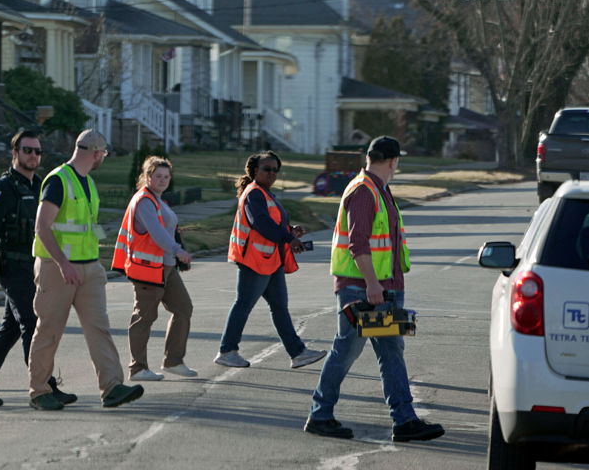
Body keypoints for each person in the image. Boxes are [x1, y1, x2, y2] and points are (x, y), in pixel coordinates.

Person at [304, 135, 445, 443]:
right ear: (393, 161)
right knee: (346, 351)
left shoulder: (379, 189)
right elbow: (357, 244)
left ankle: (404, 420)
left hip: (383, 288)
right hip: (364, 291)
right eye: (398, 161)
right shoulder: (365, 192)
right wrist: (372, 285)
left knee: (391, 352)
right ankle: (321, 414)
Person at [26, 129, 144, 411]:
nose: (102, 158)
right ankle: (39, 391)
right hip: (58, 269)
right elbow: (42, 227)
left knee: (98, 328)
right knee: (49, 330)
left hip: (89, 269)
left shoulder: (88, 183)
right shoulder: (58, 180)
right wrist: (64, 264)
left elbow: (84, 228)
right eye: (103, 154)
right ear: (96, 153)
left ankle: (112, 387)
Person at [0, 128, 76, 407]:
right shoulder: (1, 189)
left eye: (37, 151)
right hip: (12, 267)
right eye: (27, 150)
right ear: (14, 153)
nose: (33, 156)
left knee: (11, 327)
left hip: (36, 265)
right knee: (33, 322)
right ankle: (43, 388)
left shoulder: (40, 186)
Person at [214, 150, 326, 370]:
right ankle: (227, 351)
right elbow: (261, 223)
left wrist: (290, 230)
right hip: (254, 261)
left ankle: (298, 353)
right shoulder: (254, 193)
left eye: (275, 170)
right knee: (244, 305)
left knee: (279, 307)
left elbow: (271, 222)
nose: (272, 173)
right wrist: (287, 238)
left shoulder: (265, 193)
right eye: (267, 169)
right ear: (255, 170)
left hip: (269, 260)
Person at [111, 155, 196, 382]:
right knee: (144, 317)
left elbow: (166, 230)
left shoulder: (158, 201)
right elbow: (157, 233)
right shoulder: (144, 201)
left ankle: (174, 361)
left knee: (183, 308)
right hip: (147, 269)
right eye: (157, 176)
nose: (162, 180)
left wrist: (176, 253)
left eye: (166, 176)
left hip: (165, 268)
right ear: (147, 177)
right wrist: (178, 250)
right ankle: (137, 368)